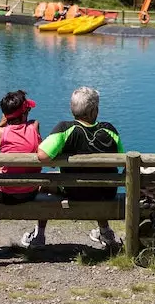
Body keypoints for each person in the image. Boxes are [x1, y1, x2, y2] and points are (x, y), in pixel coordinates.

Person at [20, 86, 124, 249]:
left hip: (75, 191)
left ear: (72, 108)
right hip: (106, 192)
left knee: (47, 180)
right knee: (98, 178)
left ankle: (39, 236)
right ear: (94, 111)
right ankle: (105, 231)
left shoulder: (65, 129)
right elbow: (121, 159)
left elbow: (42, 156)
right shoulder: (109, 130)